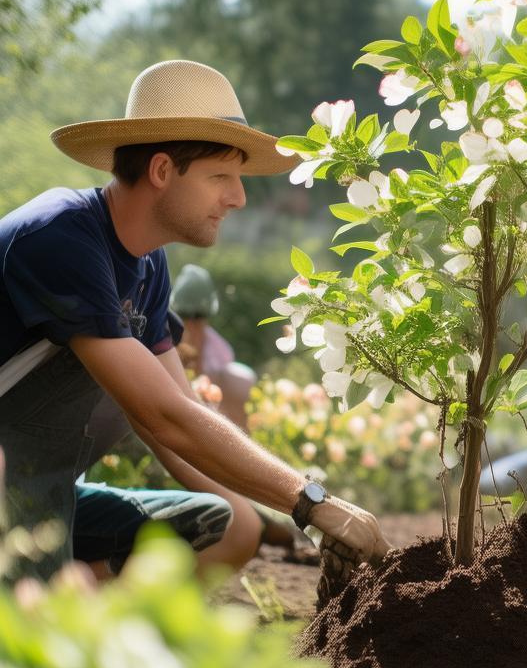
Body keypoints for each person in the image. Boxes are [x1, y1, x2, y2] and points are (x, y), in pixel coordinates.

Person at [0, 59, 391, 583]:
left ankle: (75, 608)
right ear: (162, 170)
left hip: (46, 494)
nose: (238, 197)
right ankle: (48, 616)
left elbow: (178, 418)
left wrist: (282, 524)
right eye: (221, 177)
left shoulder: (147, 265)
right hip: (7, 489)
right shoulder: (61, 236)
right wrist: (312, 502)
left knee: (220, 523)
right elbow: (161, 414)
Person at [170, 263, 259, 431]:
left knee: (240, 378)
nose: (193, 325)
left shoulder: (211, 342)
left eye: (197, 320)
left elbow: (202, 370)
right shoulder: (174, 335)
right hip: (188, 397)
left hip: (210, 400)